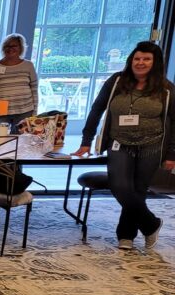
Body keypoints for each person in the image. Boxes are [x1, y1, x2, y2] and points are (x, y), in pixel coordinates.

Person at [72, 41, 175, 250]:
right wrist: (86, 140)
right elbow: (97, 108)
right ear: (131, 61)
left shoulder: (166, 89)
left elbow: (174, 122)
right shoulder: (117, 81)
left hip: (152, 145)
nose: (140, 63)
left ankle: (125, 235)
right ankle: (151, 223)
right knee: (120, 186)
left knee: (137, 190)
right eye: (137, 58)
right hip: (119, 142)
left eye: (146, 59)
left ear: (155, 63)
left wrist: (172, 153)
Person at [0, 34, 38, 133]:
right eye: (7, 46)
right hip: (0, 110)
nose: (10, 49)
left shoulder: (28, 65)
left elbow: (34, 90)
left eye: (14, 46)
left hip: (24, 109)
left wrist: (34, 113)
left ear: (21, 48)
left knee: (19, 143)